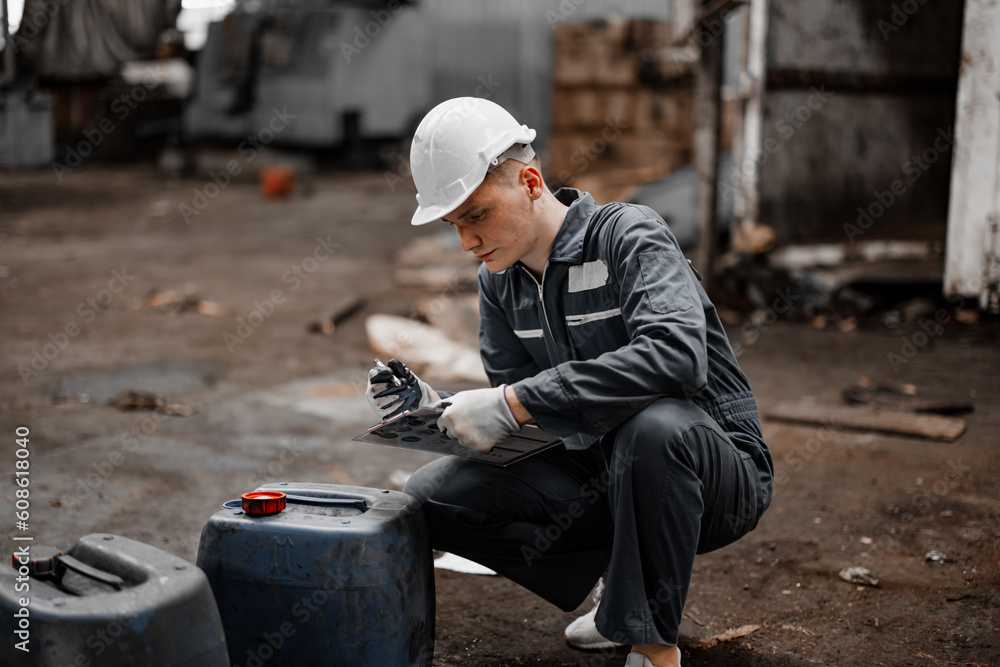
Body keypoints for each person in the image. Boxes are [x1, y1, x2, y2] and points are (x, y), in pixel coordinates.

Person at [365, 97, 773, 667]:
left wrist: (514, 401)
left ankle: (653, 647)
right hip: (602, 472)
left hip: (711, 470)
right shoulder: (499, 283)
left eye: (476, 214)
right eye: (453, 224)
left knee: (652, 427)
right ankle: (623, 588)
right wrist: (446, 414)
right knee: (431, 494)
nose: (466, 242)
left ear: (530, 181)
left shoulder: (628, 236)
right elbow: (530, 422)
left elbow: (678, 357)